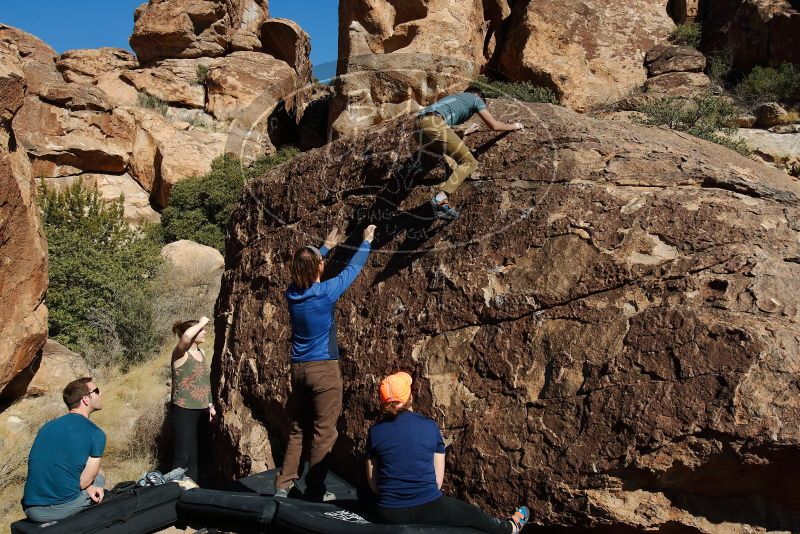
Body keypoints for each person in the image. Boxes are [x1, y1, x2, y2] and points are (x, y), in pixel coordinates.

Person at [274, 224, 377, 501]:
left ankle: (283, 485)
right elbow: (352, 270)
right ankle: (315, 489)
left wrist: (325, 248)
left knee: (298, 428)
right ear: (318, 269)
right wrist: (366, 241)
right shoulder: (326, 292)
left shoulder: (292, 293)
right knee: (324, 432)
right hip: (323, 369)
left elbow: (306, 269)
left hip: (298, 368)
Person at [366, 372, 530, 533]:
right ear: (410, 397)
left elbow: (374, 486)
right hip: (429, 507)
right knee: (475, 515)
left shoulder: (375, 432)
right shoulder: (430, 427)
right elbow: (437, 483)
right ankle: (510, 528)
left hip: (388, 512)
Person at [417, 87, 525, 220]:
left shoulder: (453, 98)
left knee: (445, 158)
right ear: (476, 95)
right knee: (469, 162)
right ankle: (441, 198)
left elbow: (443, 130)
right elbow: (494, 126)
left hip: (418, 129)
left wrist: (464, 132)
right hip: (434, 125)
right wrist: (515, 126)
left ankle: (440, 203)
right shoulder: (475, 98)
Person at [22, 377, 107, 522]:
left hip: (30, 508)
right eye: (96, 391)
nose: (101, 394)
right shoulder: (95, 433)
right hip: (61, 508)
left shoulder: (47, 426)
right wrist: (91, 486)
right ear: (86, 399)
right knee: (99, 474)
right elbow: (84, 482)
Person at [171, 316, 215, 483]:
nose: (204, 332)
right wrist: (202, 321)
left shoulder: (202, 353)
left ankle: (193, 491)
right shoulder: (180, 353)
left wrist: (210, 405)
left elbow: (204, 381)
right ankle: (172, 493)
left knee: (197, 456)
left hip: (202, 409)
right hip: (184, 410)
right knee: (183, 455)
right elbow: (186, 338)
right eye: (201, 330)